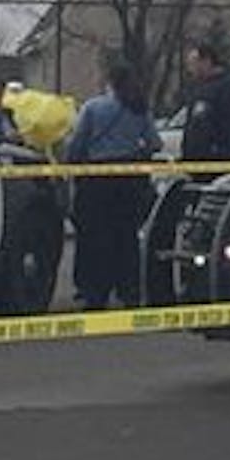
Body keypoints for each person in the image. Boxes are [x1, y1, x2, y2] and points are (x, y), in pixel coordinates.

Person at [65, 64, 162, 310]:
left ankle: (95, 292)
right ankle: (129, 290)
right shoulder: (139, 107)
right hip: (130, 181)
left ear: (108, 81)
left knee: (95, 238)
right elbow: (155, 143)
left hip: (97, 181)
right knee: (126, 237)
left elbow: (77, 144)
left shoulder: (93, 107)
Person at [180, 42, 230, 165]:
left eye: (193, 63)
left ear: (207, 61)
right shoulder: (199, 91)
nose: (190, 69)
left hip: (223, 166)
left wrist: (224, 153)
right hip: (198, 167)